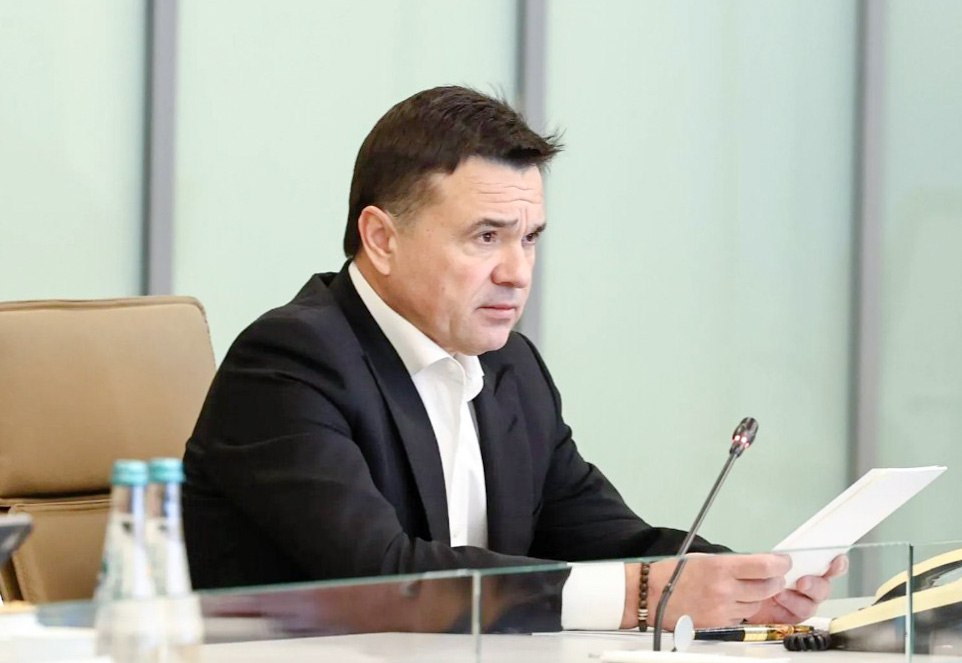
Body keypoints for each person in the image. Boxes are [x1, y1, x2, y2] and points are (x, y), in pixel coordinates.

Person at [182, 85, 845, 632]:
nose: (517, 272)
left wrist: (738, 583)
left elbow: (603, 538)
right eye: (486, 237)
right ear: (381, 239)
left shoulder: (511, 368)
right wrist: (643, 596)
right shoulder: (289, 364)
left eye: (529, 239)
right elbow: (381, 578)